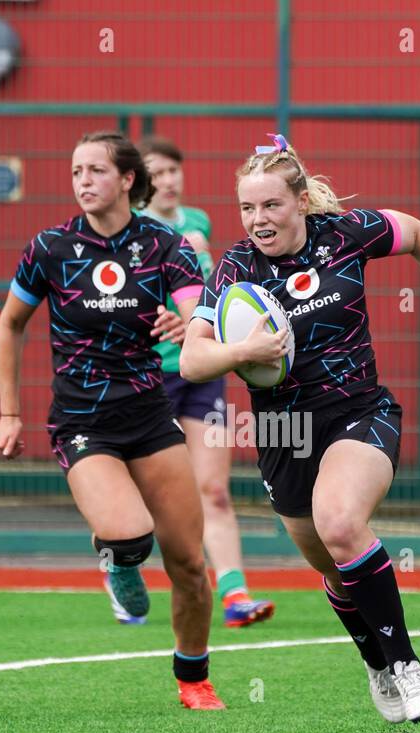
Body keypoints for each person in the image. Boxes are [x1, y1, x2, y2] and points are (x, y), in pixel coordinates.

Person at [179, 134, 420, 723]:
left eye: (271, 205)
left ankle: (406, 664)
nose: (258, 219)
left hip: (358, 411)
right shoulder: (234, 268)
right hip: (283, 434)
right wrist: (242, 349)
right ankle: (376, 662)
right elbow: (193, 360)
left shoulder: (346, 234)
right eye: (247, 208)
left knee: (342, 521)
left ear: (300, 201)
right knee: (331, 565)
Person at [0, 131, 225, 709]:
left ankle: (193, 678)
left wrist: (187, 323)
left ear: (126, 180)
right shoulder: (49, 247)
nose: (83, 182)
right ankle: (119, 563)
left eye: (95, 170)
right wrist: (10, 413)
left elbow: (201, 308)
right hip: (81, 419)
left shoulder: (165, 243)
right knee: (129, 536)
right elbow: (10, 325)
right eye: (76, 172)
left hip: (149, 415)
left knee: (191, 565)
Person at [138, 135, 274, 629]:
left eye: (174, 170)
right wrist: (165, 314)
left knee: (213, 488)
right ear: (137, 182)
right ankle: (120, 565)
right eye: (158, 172)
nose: (169, 181)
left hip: (203, 374)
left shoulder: (198, 223)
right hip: (150, 376)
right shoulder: (133, 235)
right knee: (144, 494)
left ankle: (235, 592)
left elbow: (208, 296)